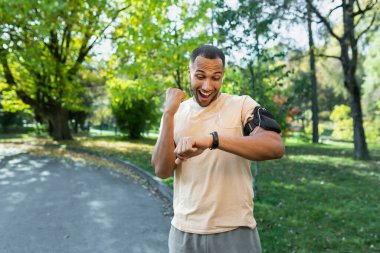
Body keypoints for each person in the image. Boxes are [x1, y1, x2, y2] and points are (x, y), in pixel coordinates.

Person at [151, 44, 285, 253]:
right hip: (184, 233)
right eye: (200, 76)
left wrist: (213, 140)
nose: (207, 86)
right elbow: (162, 170)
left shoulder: (242, 105)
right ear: (189, 72)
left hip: (235, 232)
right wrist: (167, 114)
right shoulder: (175, 113)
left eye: (216, 77)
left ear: (223, 76)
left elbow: (274, 145)